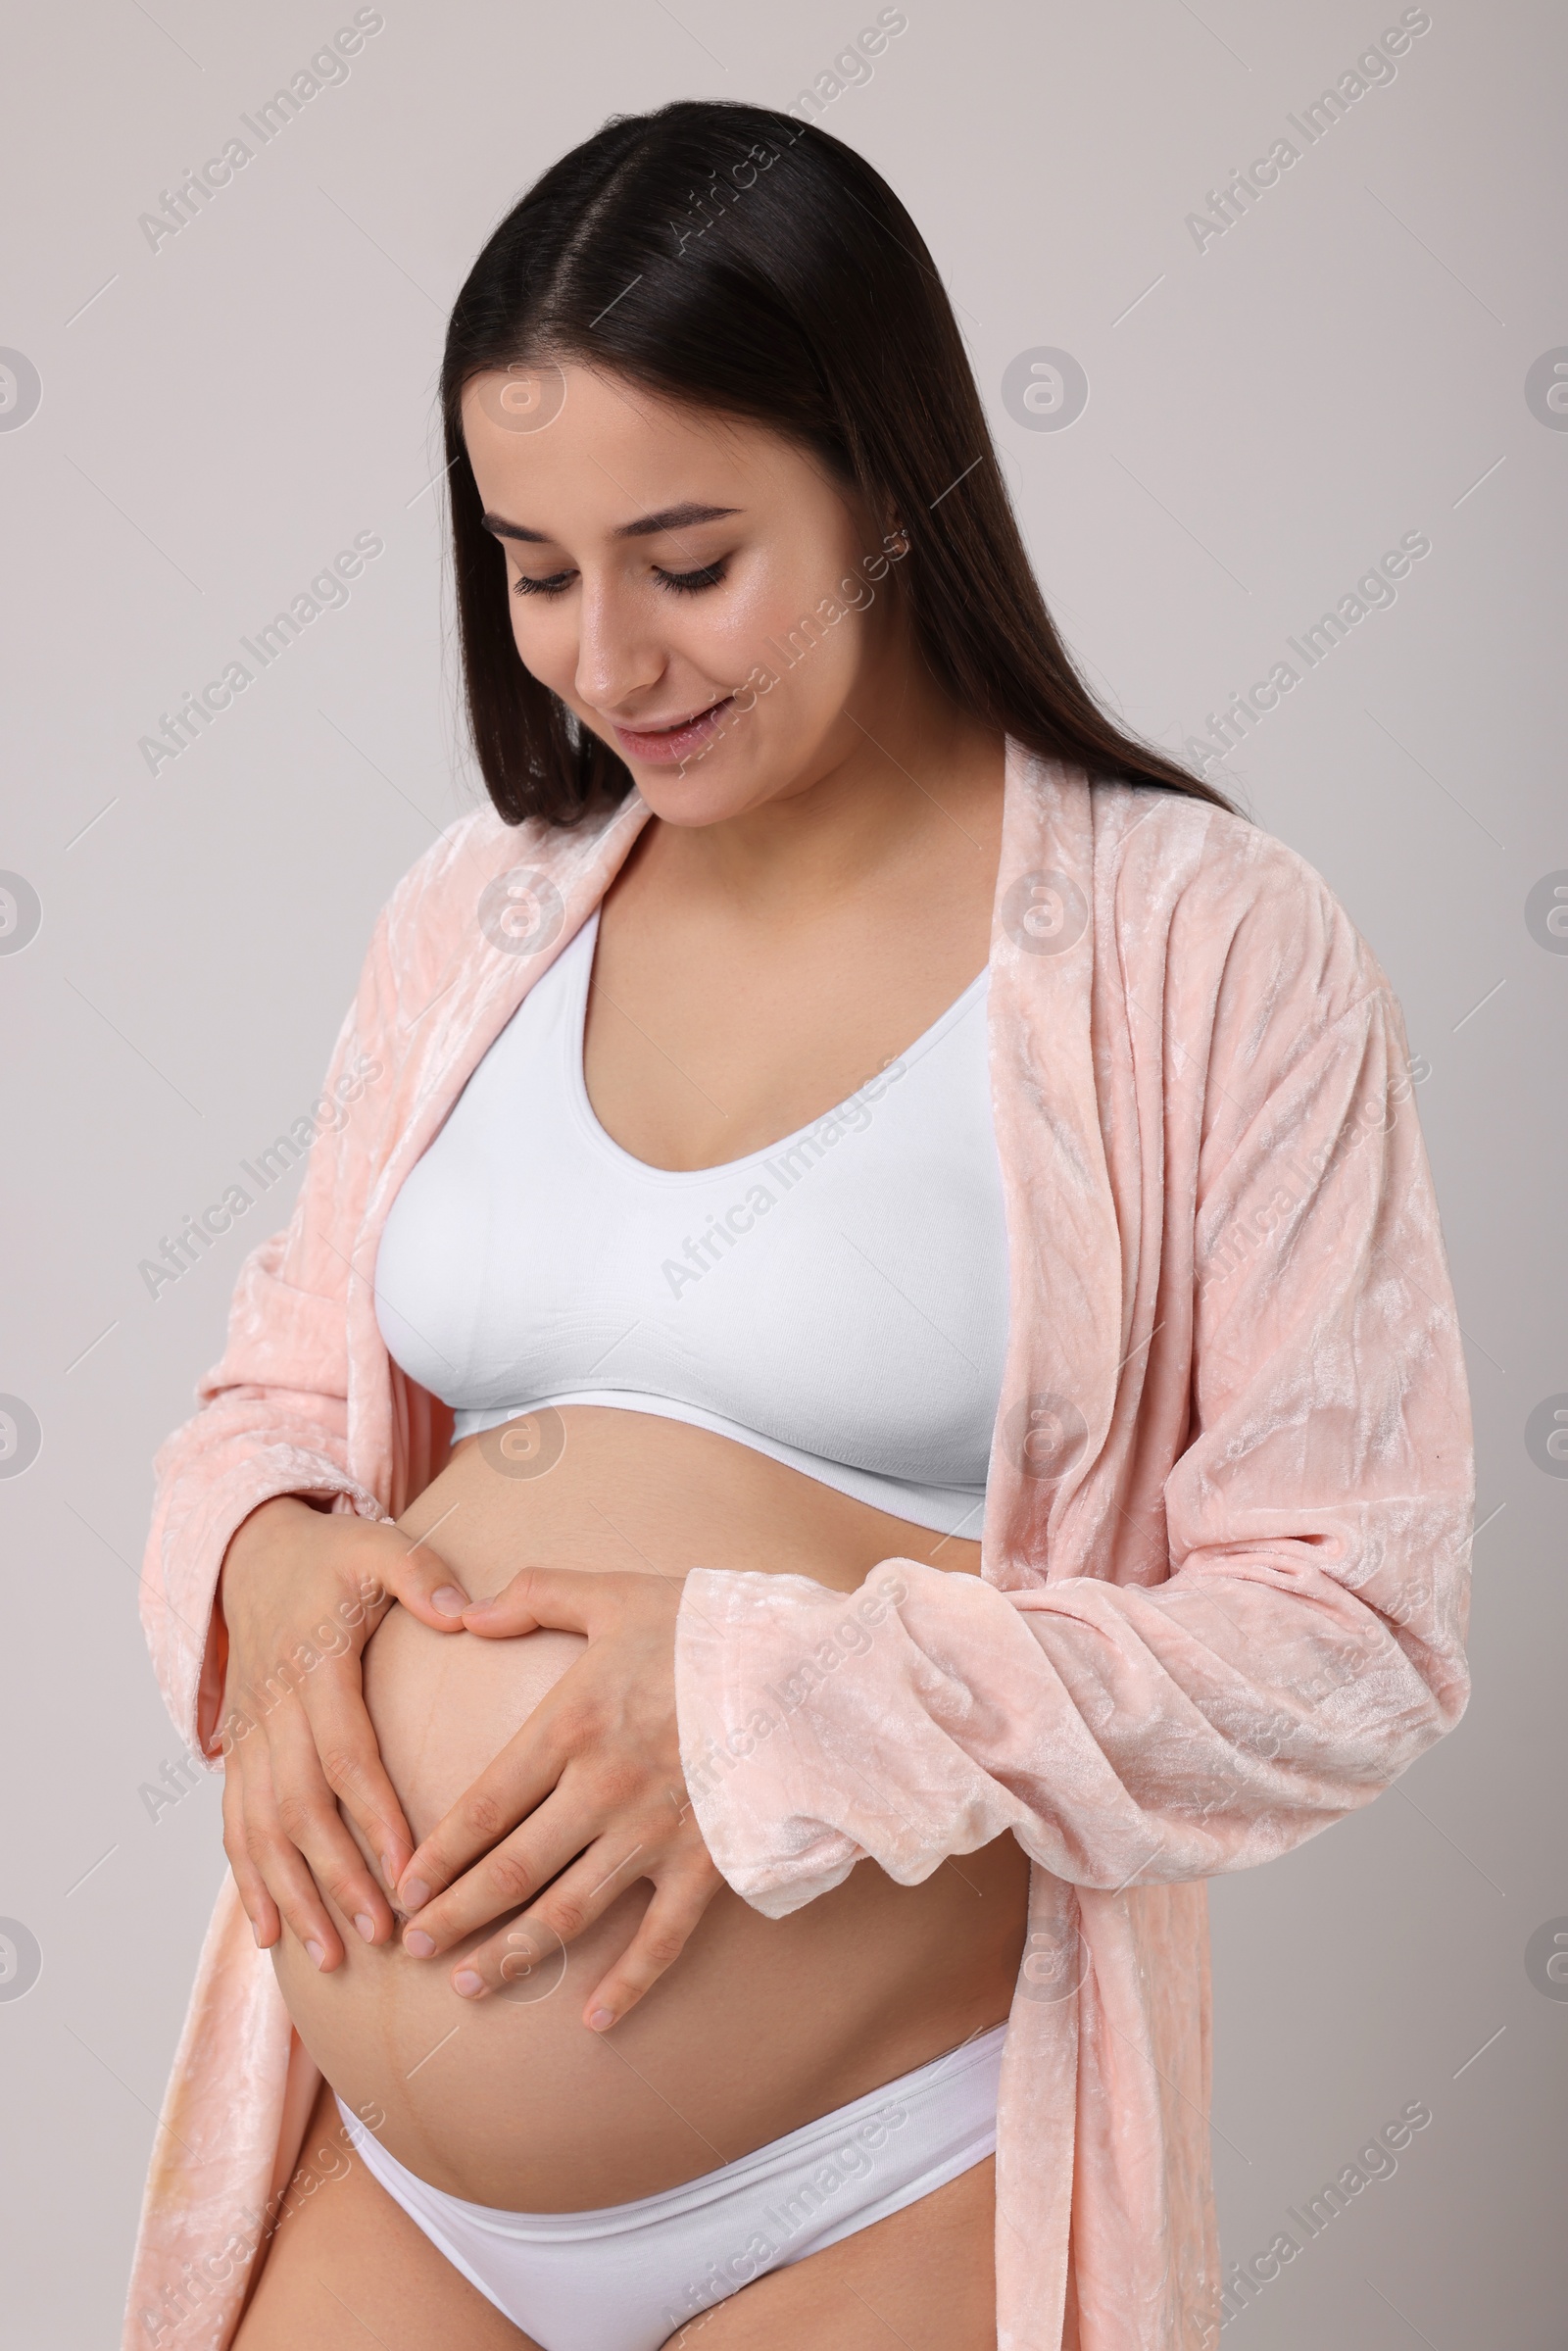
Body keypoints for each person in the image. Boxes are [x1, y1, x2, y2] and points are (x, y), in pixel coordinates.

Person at [125, 99, 1473, 2351]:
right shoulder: (478, 917)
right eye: (536, 571)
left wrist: (771, 1697)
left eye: (686, 559)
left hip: (880, 2179)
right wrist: (263, 1561)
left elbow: (1356, 1637)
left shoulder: (1200, 947)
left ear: (884, 482)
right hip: (390, 2182)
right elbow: (271, 1393)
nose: (603, 661)